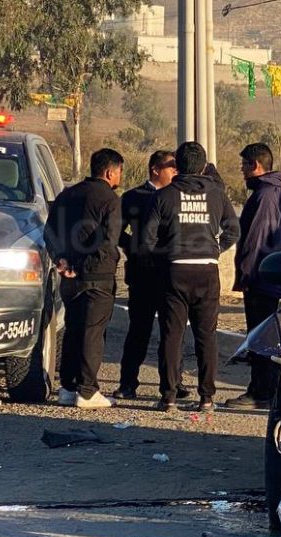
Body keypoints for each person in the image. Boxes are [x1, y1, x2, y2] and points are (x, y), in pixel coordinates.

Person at [141, 142, 240, 412]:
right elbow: (233, 229)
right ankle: (207, 397)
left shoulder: (163, 196)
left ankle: (169, 396)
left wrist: (164, 256)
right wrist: (215, 249)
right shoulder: (217, 194)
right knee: (206, 335)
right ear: (204, 166)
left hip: (175, 270)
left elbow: (147, 239)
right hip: (207, 270)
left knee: (172, 335)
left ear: (178, 166)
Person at [43, 148, 123, 409]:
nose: (119, 176)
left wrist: (62, 261)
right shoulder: (109, 199)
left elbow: (49, 232)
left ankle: (67, 387)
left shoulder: (67, 194)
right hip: (97, 275)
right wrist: (84, 264)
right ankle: (87, 391)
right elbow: (108, 240)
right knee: (93, 332)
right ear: (110, 172)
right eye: (119, 171)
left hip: (69, 275)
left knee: (74, 330)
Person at [114, 150, 190, 401]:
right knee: (139, 330)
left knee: (172, 332)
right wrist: (133, 245)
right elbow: (115, 229)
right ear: (155, 169)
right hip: (142, 275)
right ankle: (127, 383)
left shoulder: (179, 197)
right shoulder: (133, 197)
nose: (176, 172)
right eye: (171, 167)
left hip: (172, 274)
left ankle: (173, 382)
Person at [225, 143, 281, 410]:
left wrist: (246, 274)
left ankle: (260, 392)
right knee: (265, 336)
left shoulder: (264, 195)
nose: (241, 170)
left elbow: (255, 238)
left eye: (244, 165)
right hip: (268, 276)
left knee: (260, 338)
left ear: (256, 165)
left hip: (262, 278)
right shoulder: (271, 191)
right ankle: (265, 389)